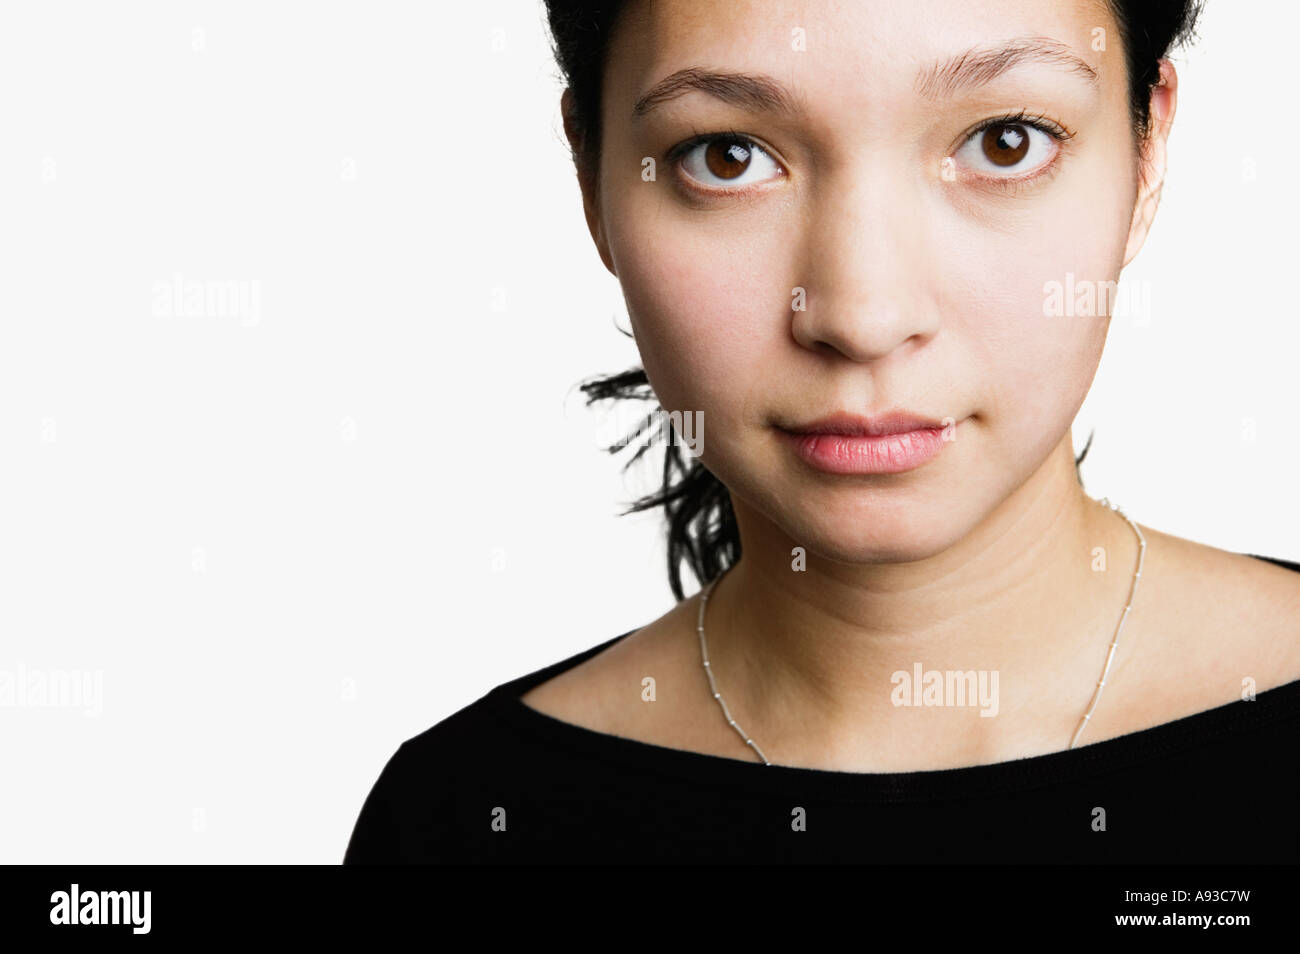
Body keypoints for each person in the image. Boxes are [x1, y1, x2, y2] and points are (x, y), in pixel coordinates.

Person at [344, 0, 1300, 863]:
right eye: (727, 155)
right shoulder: (463, 824)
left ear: (1148, 154)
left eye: (1005, 142)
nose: (862, 314)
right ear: (592, 177)